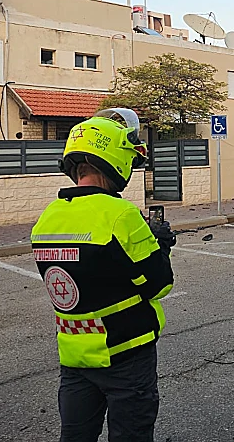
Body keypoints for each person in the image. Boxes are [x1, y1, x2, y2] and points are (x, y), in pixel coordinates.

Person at [32, 108, 175, 442]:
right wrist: (161, 245)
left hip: (74, 358)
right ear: (116, 158)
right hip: (126, 354)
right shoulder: (120, 214)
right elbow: (159, 284)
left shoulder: (48, 217)